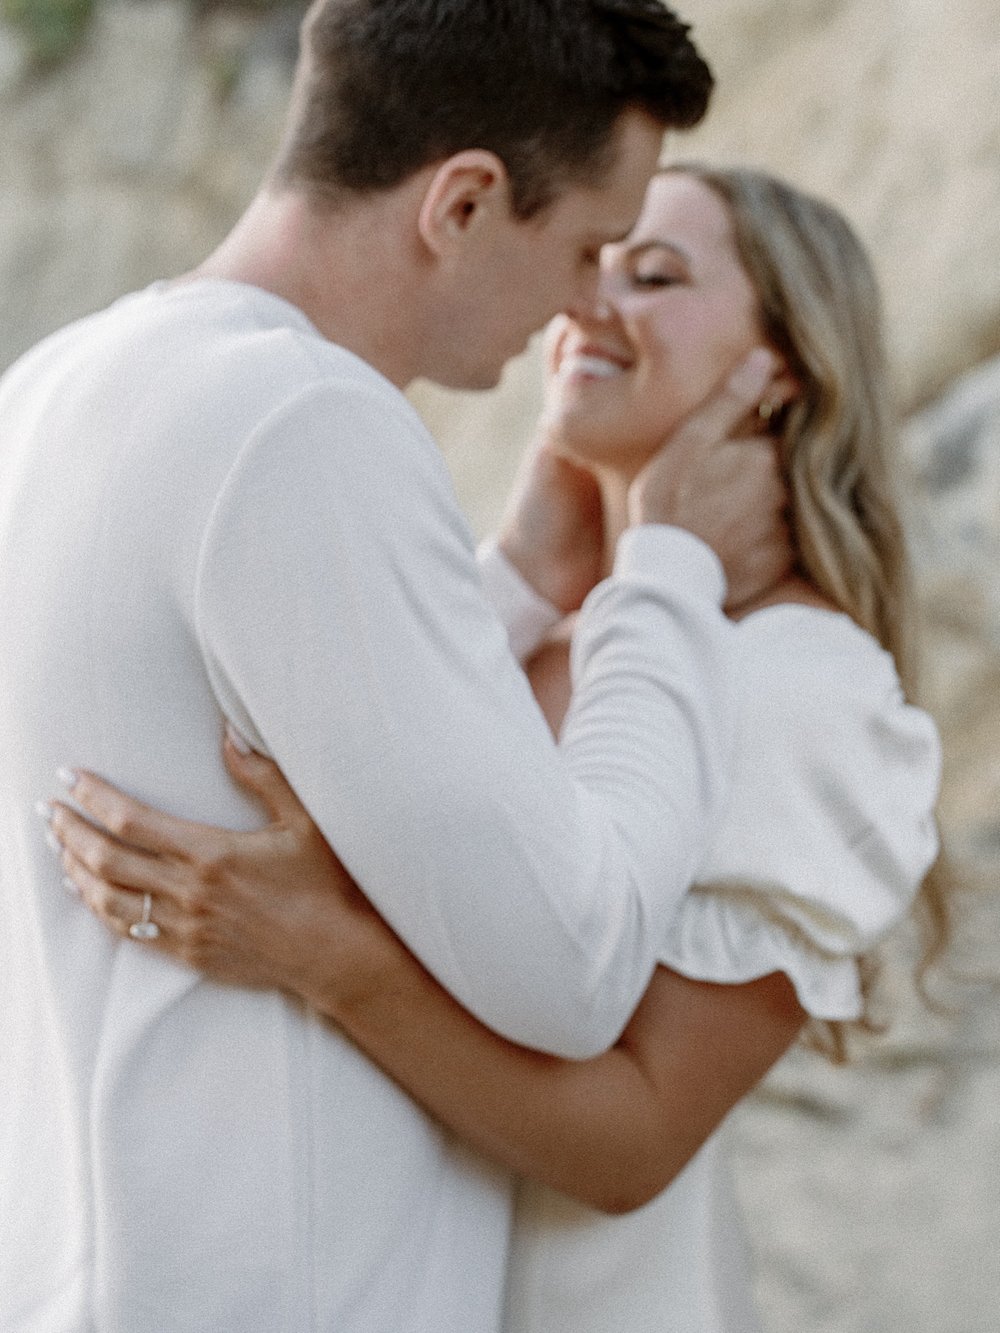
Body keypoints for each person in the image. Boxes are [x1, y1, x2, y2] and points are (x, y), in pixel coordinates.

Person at [0, 4, 803, 1330]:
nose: (587, 303)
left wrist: (525, 581)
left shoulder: (48, 392)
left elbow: (270, 736)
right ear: (466, 201)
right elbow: (578, 965)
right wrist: (667, 571)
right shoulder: (305, 420)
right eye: (591, 246)